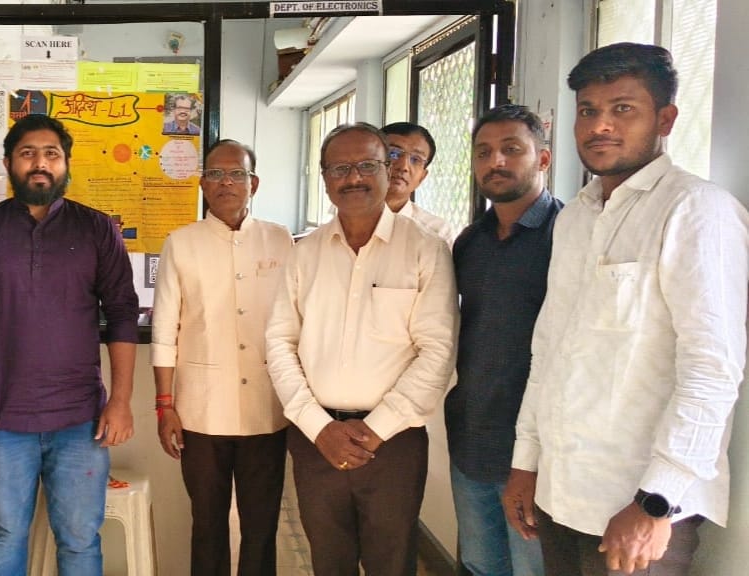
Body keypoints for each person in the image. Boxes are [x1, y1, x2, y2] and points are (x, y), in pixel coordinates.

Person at [503, 43, 749, 576]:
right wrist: (526, 463)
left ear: (665, 118)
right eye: (588, 110)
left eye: (623, 109)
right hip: (561, 493)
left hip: (638, 509)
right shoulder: (577, 218)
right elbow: (549, 350)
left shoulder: (696, 211)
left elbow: (712, 370)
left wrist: (657, 501)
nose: (600, 126)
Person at [266, 122, 457, 575]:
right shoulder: (304, 253)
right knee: (328, 562)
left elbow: (437, 351)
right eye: (340, 168)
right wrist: (318, 427)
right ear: (326, 177)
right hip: (316, 440)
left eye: (367, 165)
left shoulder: (425, 250)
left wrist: (376, 429)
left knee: (392, 563)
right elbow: (278, 342)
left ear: (388, 170)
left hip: (393, 445)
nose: (354, 178)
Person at [0, 114, 139, 575]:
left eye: (51, 154)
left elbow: (121, 314)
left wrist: (120, 401)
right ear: (8, 163)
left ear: (66, 164)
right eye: (28, 153)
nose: (40, 163)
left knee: (79, 541)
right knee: (4, 535)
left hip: (81, 421)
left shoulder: (97, 229)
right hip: (0, 417)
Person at [152, 139, 293, 576]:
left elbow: (294, 320)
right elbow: (164, 330)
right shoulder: (181, 243)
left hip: (267, 410)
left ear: (253, 183)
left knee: (261, 524)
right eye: (215, 174)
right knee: (208, 523)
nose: (226, 182)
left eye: (236, 174)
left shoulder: (280, 239)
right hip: (201, 412)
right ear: (202, 183)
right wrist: (165, 404)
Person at [446, 104, 560, 576]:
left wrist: (532, 458)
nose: (496, 162)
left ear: (544, 159)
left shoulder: (567, 236)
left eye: (512, 150)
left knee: (532, 568)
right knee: (478, 564)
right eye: (484, 152)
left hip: (537, 454)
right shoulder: (470, 243)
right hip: (472, 441)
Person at [381, 122, 456, 245]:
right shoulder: (345, 218)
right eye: (393, 154)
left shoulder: (436, 232)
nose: (404, 166)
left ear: (422, 177)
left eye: (415, 160)